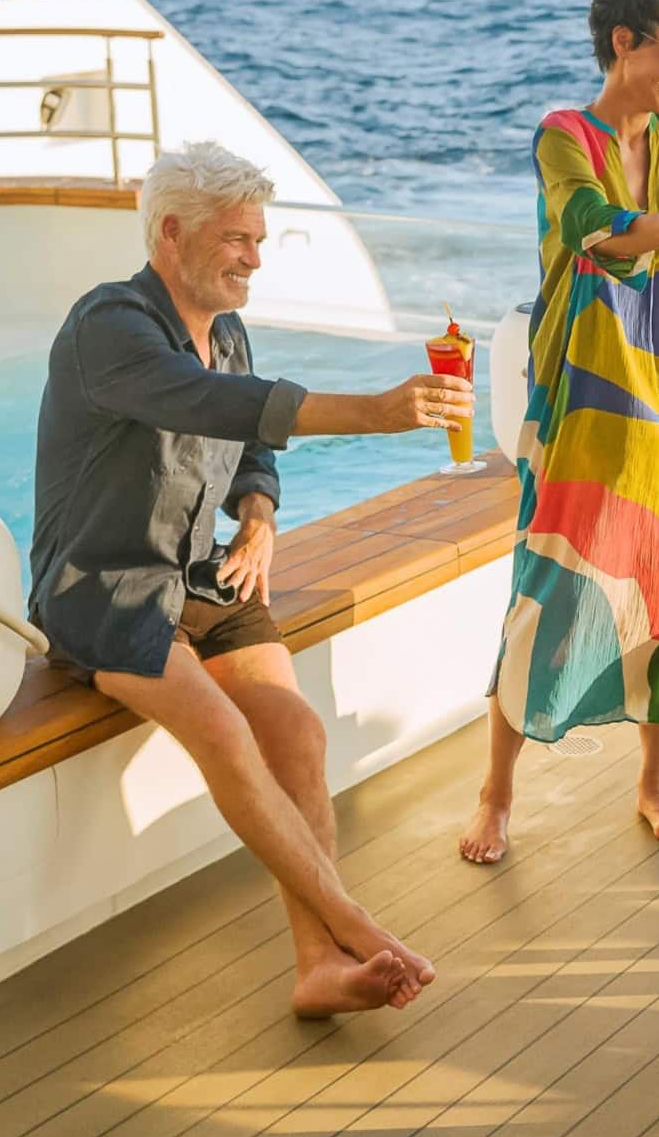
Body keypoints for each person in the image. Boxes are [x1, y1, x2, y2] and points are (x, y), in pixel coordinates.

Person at [31, 140, 475, 1018]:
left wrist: (261, 516)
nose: (254, 260)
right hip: (108, 590)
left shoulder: (227, 332)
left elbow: (247, 445)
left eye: (259, 240)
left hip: (200, 577)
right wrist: (378, 413)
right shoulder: (109, 325)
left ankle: (317, 967)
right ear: (171, 233)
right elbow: (211, 404)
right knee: (228, 735)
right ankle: (351, 923)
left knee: (296, 733)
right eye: (237, 239)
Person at [462, 0, 659, 865]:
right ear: (625, 41)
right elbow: (593, 228)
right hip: (581, 405)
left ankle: (653, 783)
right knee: (544, 591)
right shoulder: (565, 136)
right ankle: (496, 795)